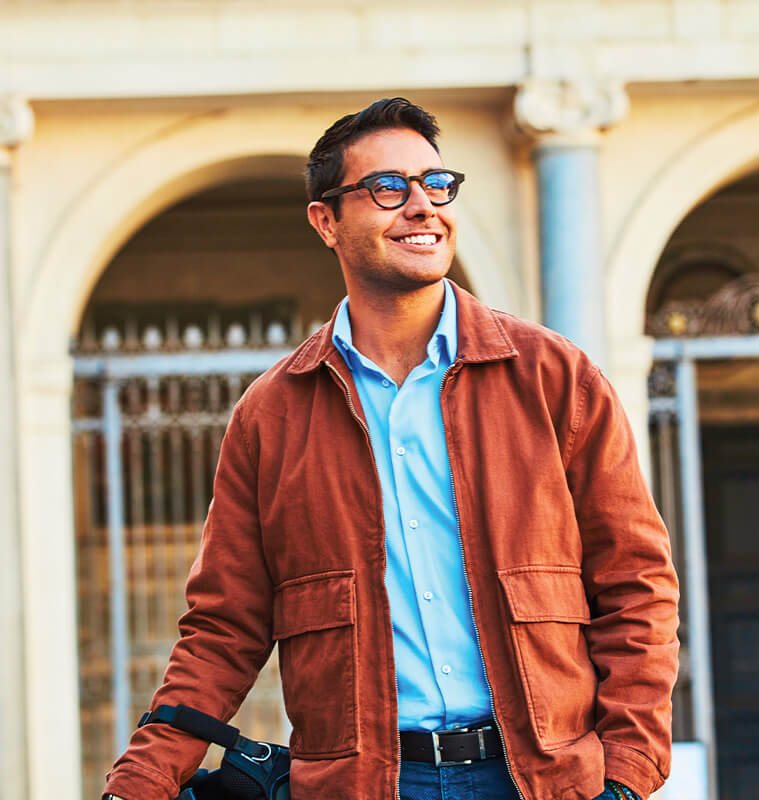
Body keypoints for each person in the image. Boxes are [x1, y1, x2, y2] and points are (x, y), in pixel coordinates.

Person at [102, 97, 680, 800]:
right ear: (327, 221)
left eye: (436, 185)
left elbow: (637, 584)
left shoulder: (553, 377)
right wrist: (140, 783)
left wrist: (626, 772)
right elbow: (224, 628)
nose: (422, 207)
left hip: (545, 780)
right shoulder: (273, 414)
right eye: (387, 189)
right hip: (364, 785)